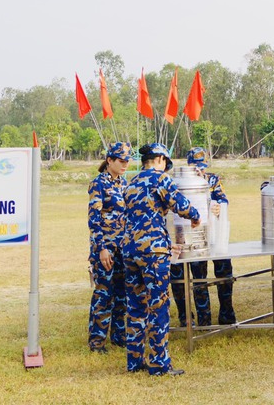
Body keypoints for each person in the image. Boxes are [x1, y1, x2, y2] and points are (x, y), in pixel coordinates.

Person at [123, 143, 201, 376]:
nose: (166, 167)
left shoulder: (132, 182)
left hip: (130, 250)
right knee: (158, 305)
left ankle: (134, 362)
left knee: (136, 306)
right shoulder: (160, 179)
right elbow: (180, 204)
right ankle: (158, 364)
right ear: (159, 159)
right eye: (165, 162)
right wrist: (195, 216)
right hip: (153, 251)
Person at [171, 147, 237, 327]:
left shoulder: (212, 179)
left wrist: (218, 205)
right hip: (189, 237)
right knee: (195, 276)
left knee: (224, 270)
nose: (200, 170)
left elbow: (223, 199)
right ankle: (193, 318)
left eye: (202, 166)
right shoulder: (178, 182)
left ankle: (226, 314)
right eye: (195, 167)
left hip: (214, 235)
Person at [87, 142, 131, 353]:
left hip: (123, 248)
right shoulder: (99, 184)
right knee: (104, 295)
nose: (125, 165)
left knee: (122, 295)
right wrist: (101, 248)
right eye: (121, 161)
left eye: (127, 161)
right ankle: (97, 342)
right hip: (105, 248)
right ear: (109, 161)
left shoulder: (124, 184)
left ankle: (119, 336)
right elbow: (94, 219)